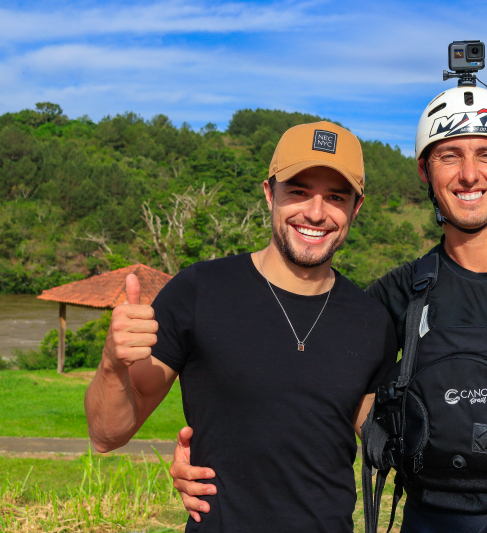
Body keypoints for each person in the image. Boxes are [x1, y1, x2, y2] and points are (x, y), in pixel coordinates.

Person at [172, 88, 487, 532]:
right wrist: (215, 462)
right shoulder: (395, 296)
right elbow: (306, 395)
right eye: (449, 155)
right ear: (424, 172)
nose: (469, 174)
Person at [84, 121, 398, 532]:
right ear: (270, 194)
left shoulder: (371, 321)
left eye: (335, 197)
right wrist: (112, 365)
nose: (316, 213)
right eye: (299, 192)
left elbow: (388, 445)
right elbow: (107, 435)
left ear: (356, 208)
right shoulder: (198, 291)